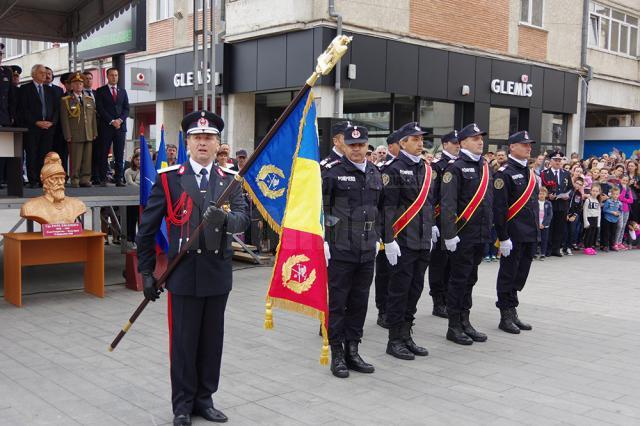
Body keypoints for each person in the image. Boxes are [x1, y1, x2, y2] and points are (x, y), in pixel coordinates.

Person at [136, 111, 249, 426]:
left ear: (217, 144)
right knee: (184, 342)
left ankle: (205, 399)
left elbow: (243, 219)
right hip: (182, 273)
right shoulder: (169, 178)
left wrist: (224, 220)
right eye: (197, 137)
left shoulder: (230, 180)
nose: (203, 142)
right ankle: (183, 404)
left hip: (217, 272)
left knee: (212, 341)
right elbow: (146, 229)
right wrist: (147, 272)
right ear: (187, 142)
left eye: (209, 137)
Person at [322, 125, 381, 378]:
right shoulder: (331, 173)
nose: (357, 149)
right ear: (343, 145)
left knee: (359, 302)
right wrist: (326, 238)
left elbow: (381, 209)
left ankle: (353, 350)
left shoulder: (375, 172)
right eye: (352, 145)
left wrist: (383, 239)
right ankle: (336, 353)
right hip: (340, 248)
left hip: (367, 249)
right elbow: (321, 209)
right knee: (338, 303)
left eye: (361, 145)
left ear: (367, 146)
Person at [381, 121, 433, 360]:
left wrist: (431, 227)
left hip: (422, 239)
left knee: (416, 289)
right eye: (415, 139)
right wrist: (389, 240)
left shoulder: (425, 167)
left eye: (421, 139)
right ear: (402, 143)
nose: (420, 143)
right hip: (402, 241)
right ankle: (394, 340)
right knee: (399, 291)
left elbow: (428, 203)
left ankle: (406, 334)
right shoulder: (393, 169)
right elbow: (387, 209)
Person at [440, 123, 493, 346]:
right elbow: (448, 203)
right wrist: (449, 234)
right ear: (462, 143)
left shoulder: (486, 166)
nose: (480, 141)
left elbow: (489, 202)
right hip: (462, 235)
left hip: (480, 234)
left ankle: (465, 320)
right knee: (458, 280)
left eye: (481, 138)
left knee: (471, 279)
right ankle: (454, 325)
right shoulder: (456, 168)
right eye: (474, 138)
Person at [492, 131, 538, 334]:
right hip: (513, 234)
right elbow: (499, 209)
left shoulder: (529, 172)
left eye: (529, 145)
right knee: (508, 274)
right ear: (512, 147)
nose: (529, 148)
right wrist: (503, 237)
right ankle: (505, 314)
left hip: (529, 232)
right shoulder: (504, 173)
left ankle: (513, 309)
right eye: (524, 144)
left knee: (521, 274)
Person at [428, 129, 459, 319]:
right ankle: (438, 300)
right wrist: (432, 222)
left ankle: (448, 296)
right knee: (439, 262)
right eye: (454, 142)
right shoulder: (437, 166)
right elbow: (431, 196)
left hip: (456, 220)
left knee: (452, 261)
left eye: (459, 142)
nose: (457, 145)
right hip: (440, 220)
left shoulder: (461, 164)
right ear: (445, 144)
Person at [373, 130, 399, 328]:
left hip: (409, 231)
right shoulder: (384, 170)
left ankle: (396, 310)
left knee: (400, 275)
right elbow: (382, 206)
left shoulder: (419, 168)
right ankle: (383, 310)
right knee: (385, 273)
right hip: (387, 230)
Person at [18, 64, 59, 187]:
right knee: (32, 153)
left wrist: (52, 122)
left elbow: (56, 109)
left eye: (46, 73)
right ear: (34, 74)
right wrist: (36, 122)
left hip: (48, 128)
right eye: (41, 72)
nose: (45, 75)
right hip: (32, 128)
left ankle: (43, 179)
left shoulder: (50, 90)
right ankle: (33, 179)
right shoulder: (25, 89)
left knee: (45, 155)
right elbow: (23, 109)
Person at [20, 152, 86, 224]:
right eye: (55, 179)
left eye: (62, 178)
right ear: (45, 182)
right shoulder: (30, 207)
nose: (60, 182)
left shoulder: (77, 204)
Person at [60, 72, 97, 188]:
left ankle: (85, 179)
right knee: (75, 159)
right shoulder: (66, 100)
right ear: (71, 85)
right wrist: (67, 134)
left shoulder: (89, 99)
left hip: (88, 133)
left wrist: (94, 132)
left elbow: (93, 118)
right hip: (75, 134)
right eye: (76, 83)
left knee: (87, 158)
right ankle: (75, 179)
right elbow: (64, 119)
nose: (79, 86)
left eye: (80, 83)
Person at [95, 67, 130, 187]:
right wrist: (111, 121)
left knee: (119, 153)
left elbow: (126, 109)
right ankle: (103, 178)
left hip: (120, 127)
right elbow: (100, 109)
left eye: (116, 75)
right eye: (112, 75)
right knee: (103, 153)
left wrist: (119, 120)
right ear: (107, 76)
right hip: (106, 127)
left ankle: (118, 179)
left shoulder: (123, 91)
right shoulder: (100, 91)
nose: (114, 77)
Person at [541, 150, 572, 257]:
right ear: (551, 161)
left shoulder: (566, 173)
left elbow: (570, 188)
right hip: (550, 204)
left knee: (560, 227)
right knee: (550, 226)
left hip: (562, 204)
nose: (558, 162)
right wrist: (548, 195)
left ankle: (556, 248)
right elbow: (542, 188)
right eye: (556, 160)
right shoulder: (545, 174)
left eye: (560, 160)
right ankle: (548, 249)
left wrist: (568, 195)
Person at [125, 152, 141, 248]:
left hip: (143, 199)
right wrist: (141, 187)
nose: (138, 161)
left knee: (142, 221)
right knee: (132, 220)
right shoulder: (128, 171)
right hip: (131, 199)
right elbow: (130, 183)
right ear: (133, 160)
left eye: (140, 160)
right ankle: (132, 240)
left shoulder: (146, 169)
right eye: (137, 159)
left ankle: (141, 241)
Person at [601, 187, 622, 252]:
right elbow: (604, 210)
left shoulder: (619, 203)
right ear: (611, 195)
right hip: (607, 219)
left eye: (617, 194)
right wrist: (612, 212)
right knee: (606, 233)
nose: (615, 195)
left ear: (619, 195)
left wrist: (618, 213)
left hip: (615, 220)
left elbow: (620, 211)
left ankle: (612, 245)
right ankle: (605, 246)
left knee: (613, 233)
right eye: (614, 194)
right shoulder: (608, 201)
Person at [583, 184, 602, 255]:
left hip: (595, 219)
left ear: (599, 192)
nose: (595, 192)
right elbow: (585, 211)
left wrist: (598, 223)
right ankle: (586, 247)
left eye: (596, 191)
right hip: (589, 219)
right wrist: (586, 222)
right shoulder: (588, 200)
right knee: (588, 234)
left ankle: (590, 246)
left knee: (593, 234)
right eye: (593, 191)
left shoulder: (597, 201)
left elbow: (599, 212)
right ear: (590, 191)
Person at [617, 175, 633, 249]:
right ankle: (615, 242)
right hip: (619, 209)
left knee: (623, 226)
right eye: (624, 180)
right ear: (621, 180)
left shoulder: (629, 189)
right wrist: (623, 190)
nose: (625, 182)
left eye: (626, 181)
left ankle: (620, 242)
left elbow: (631, 200)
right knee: (619, 226)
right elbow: (619, 198)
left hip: (627, 210)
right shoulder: (618, 187)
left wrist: (624, 199)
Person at [537, 187, 553, 260]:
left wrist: (544, 224)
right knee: (535, 239)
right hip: (536, 225)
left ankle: (543, 253)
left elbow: (550, 215)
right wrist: (537, 224)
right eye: (540, 193)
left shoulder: (548, 203)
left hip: (545, 225)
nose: (542, 195)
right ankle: (533, 253)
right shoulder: (535, 203)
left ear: (546, 195)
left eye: (543, 194)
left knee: (544, 239)